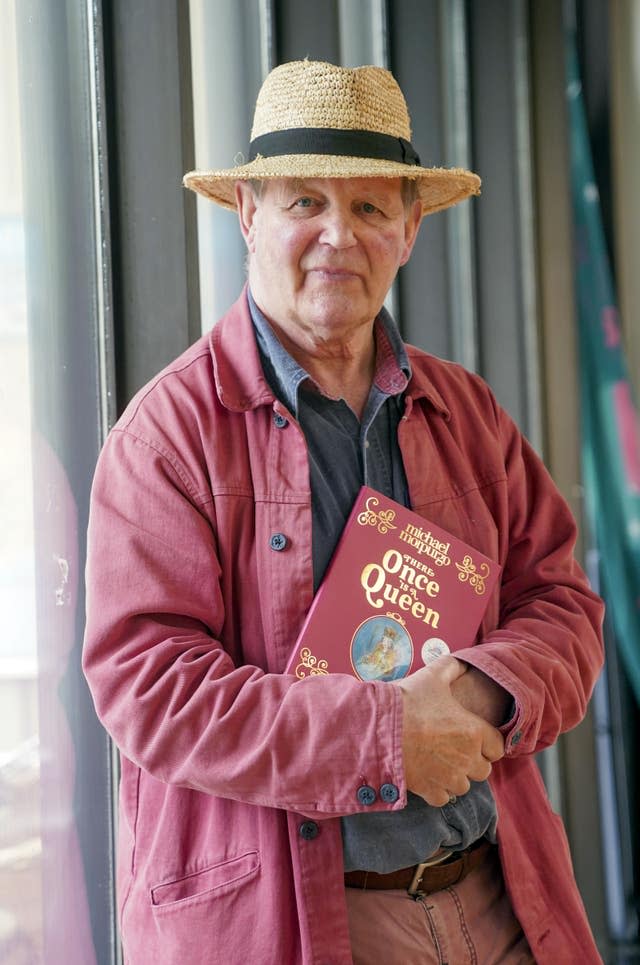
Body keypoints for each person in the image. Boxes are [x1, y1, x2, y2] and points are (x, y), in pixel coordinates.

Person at [83, 60, 605, 964]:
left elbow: (563, 603)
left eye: (369, 208)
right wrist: (389, 736)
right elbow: (151, 687)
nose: (338, 236)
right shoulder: (165, 437)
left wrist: (477, 693)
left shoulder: (468, 413)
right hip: (301, 924)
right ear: (248, 216)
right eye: (305, 202)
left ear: (409, 228)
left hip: (497, 896)